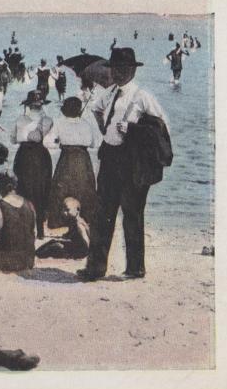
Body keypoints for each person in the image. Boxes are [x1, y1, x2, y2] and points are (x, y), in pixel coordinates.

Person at [78, 48, 171, 281]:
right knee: (103, 214)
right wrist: (100, 120)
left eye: (121, 70)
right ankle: (95, 268)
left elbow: (161, 130)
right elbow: (98, 111)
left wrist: (132, 129)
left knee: (132, 214)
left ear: (131, 70)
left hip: (131, 162)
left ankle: (135, 269)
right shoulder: (110, 93)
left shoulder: (142, 97)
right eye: (114, 69)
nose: (117, 74)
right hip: (109, 157)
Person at [44, 97, 97, 229]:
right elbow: (92, 143)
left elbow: (47, 142)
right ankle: (83, 221)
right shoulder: (86, 123)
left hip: (67, 159)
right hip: (83, 160)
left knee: (61, 190)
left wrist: (59, 143)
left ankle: (61, 222)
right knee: (84, 190)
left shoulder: (60, 123)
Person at [11, 90, 53, 239]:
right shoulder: (47, 120)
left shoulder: (20, 119)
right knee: (41, 190)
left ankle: (25, 227)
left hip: (24, 155)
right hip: (41, 155)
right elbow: (51, 140)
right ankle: (40, 229)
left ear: (28, 105)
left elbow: (13, 140)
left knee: (23, 189)